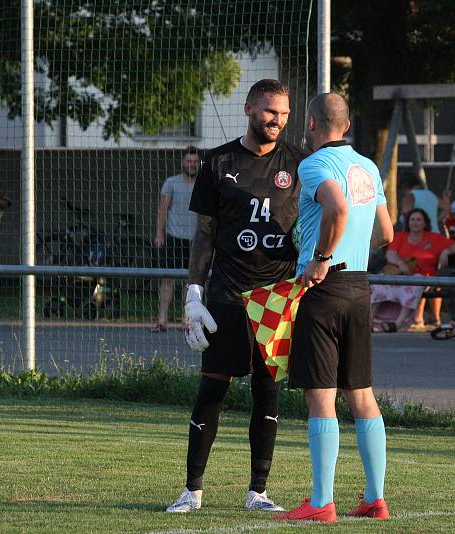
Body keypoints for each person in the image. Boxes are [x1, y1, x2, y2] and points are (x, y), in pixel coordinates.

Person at [166, 79, 307, 513]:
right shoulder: (217, 161)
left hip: (278, 299)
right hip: (228, 294)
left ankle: (258, 492)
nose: (277, 121)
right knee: (212, 390)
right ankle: (192, 491)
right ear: (249, 109)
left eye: (283, 114)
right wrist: (193, 294)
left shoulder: (301, 164)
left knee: (268, 393)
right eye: (269, 112)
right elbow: (204, 235)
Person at [274, 92, 394, 523]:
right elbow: (386, 234)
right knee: (361, 394)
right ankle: (374, 497)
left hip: (323, 289)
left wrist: (320, 257)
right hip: (360, 286)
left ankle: (322, 502)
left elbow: (337, 207)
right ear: (346, 125)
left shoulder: (313, 164)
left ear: (309, 123)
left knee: (320, 397)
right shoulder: (368, 166)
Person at [370, 208, 455, 332]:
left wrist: (446, 251)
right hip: (399, 275)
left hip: (423, 278)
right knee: (378, 284)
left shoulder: (434, 238)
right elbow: (390, 254)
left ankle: (397, 324)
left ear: (425, 223)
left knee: (415, 283)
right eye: (412, 219)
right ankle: (368, 322)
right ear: (408, 222)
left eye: (419, 219)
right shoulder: (400, 236)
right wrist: (401, 263)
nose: (415, 222)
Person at [152, 146, 200, 332]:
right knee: (168, 279)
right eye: (189, 161)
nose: (192, 164)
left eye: (195, 162)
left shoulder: (203, 184)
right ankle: (162, 320)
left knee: (190, 282)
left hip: (196, 241)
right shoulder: (171, 183)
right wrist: (159, 234)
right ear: (183, 163)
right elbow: (162, 209)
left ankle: (186, 321)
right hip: (174, 238)